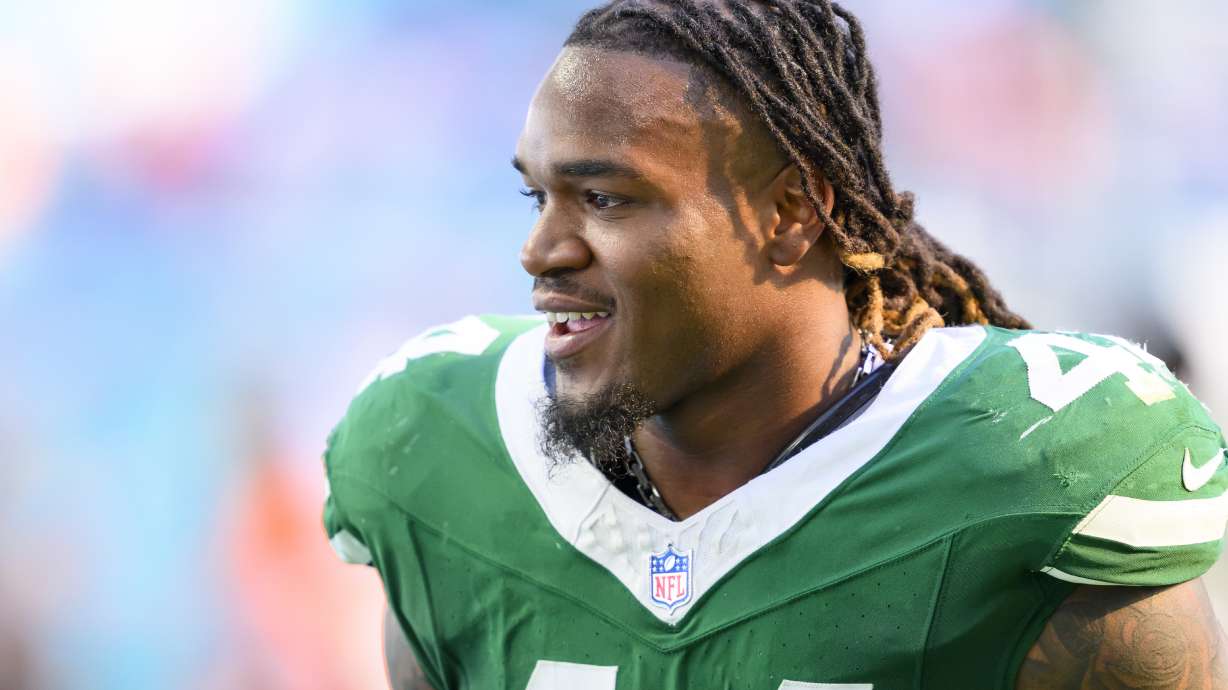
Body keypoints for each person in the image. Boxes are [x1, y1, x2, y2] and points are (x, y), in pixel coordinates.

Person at [322, 1, 1228, 688]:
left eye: (605, 199)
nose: (542, 250)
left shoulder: (1025, 465)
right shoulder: (438, 448)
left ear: (791, 214)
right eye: (539, 197)